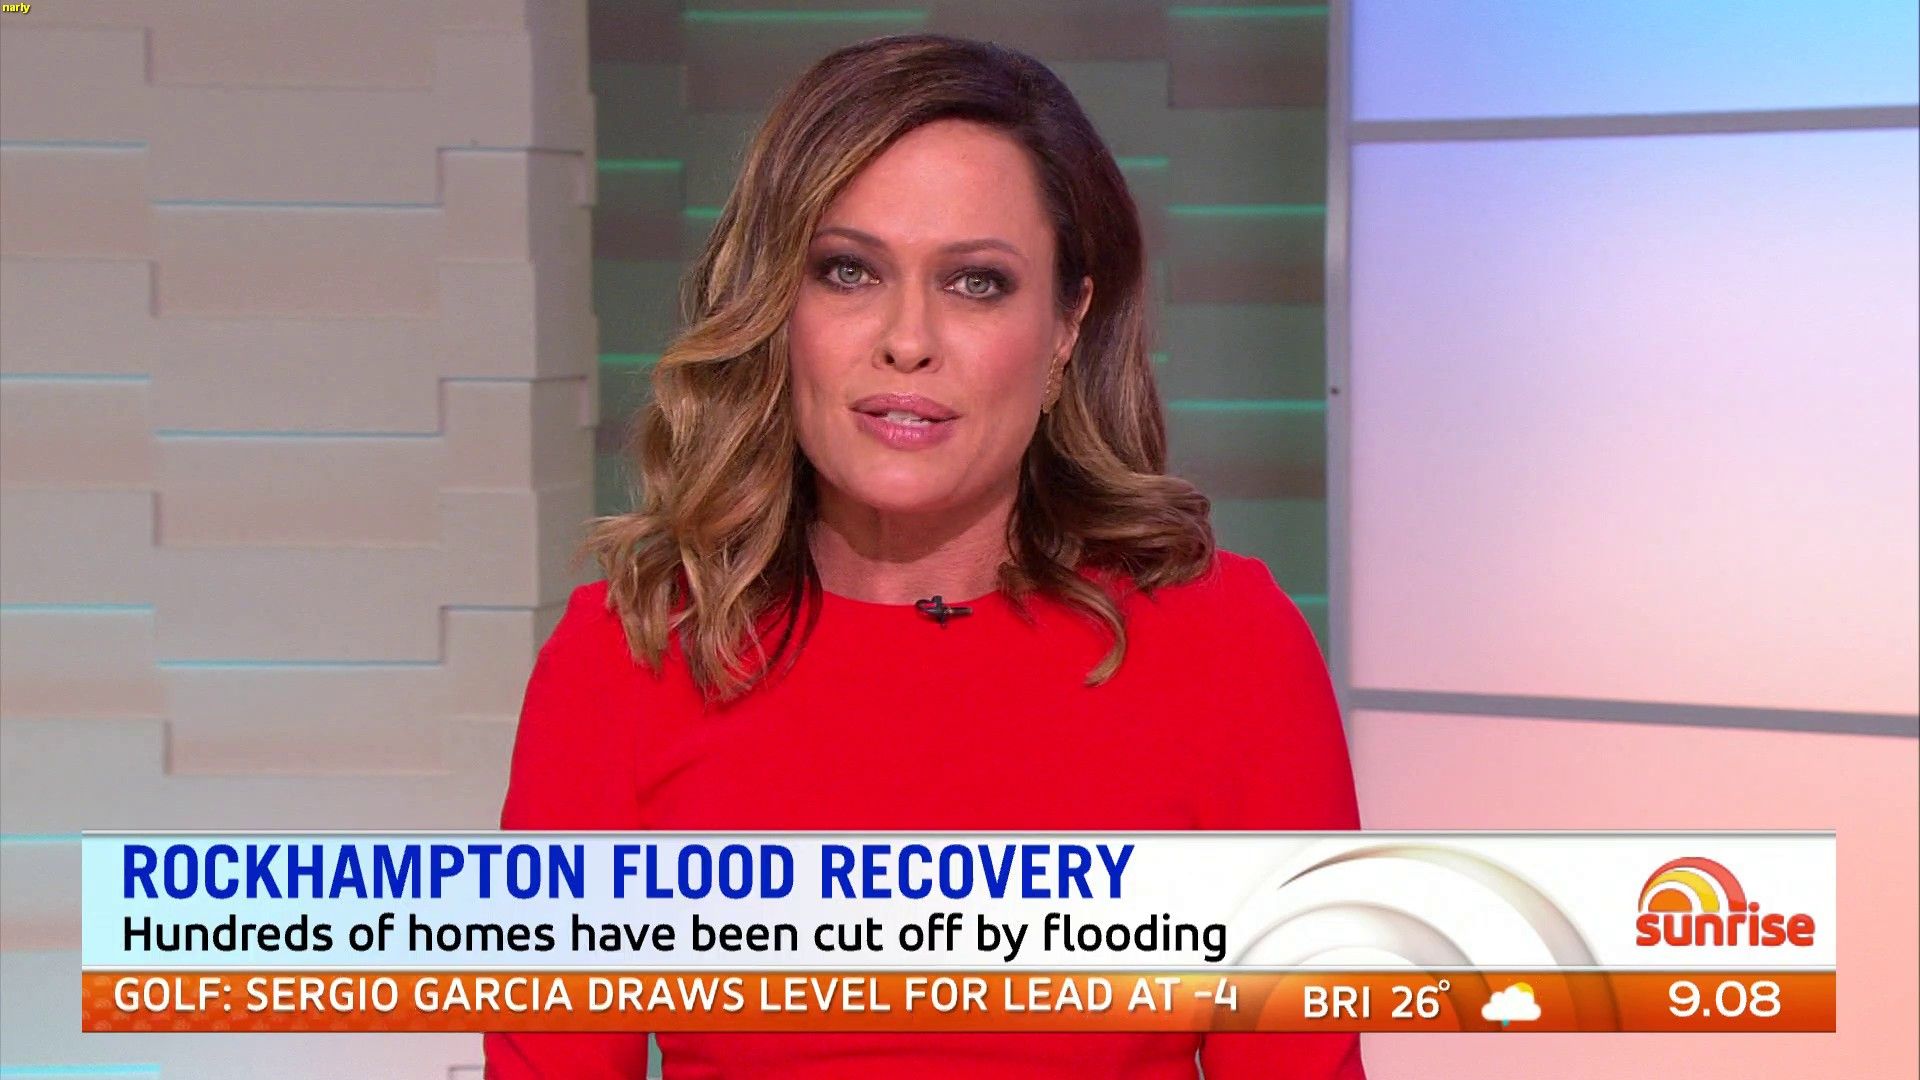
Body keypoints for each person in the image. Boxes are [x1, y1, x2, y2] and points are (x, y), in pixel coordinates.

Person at [485, 33, 1365, 1079]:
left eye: (977, 283)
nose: (908, 340)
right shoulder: (624, 655)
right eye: (848, 271)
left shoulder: (1227, 648)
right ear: (778, 306)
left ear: (1067, 325)